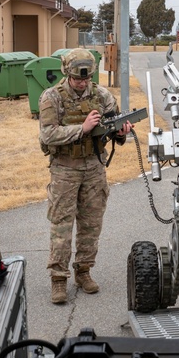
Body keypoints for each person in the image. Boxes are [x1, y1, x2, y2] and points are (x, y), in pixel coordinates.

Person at [38, 49, 132, 304]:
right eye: (77, 78)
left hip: (94, 168)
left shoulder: (102, 96)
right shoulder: (51, 97)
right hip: (65, 169)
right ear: (66, 73)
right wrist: (83, 128)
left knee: (91, 224)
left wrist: (121, 132)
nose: (81, 83)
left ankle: (84, 271)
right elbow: (47, 135)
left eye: (86, 78)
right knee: (62, 225)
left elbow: (114, 132)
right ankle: (58, 279)